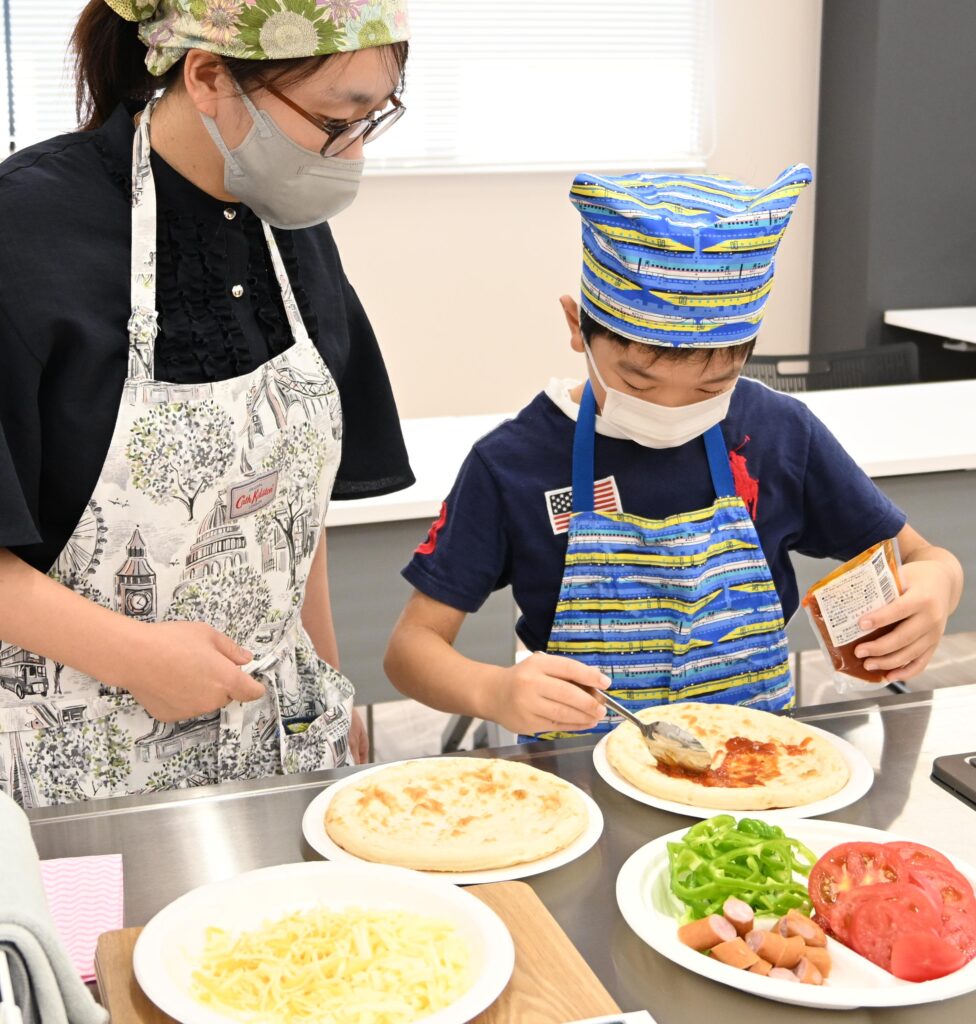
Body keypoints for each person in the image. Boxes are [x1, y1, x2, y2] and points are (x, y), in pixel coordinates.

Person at [0, 0, 415, 807]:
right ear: (209, 75)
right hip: (76, 774)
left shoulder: (285, 216)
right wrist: (133, 654)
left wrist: (329, 683)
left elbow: (297, 511)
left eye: (375, 115)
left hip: (280, 741)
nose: (353, 152)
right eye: (336, 119)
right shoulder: (23, 235)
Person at [385, 165, 964, 740]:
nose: (672, 409)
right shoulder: (512, 464)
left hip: (756, 768)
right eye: (639, 383)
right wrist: (494, 692)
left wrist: (939, 583)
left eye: (713, 387)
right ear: (575, 327)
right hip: (583, 778)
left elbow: (923, 558)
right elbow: (411, 650)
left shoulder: (778, 433)